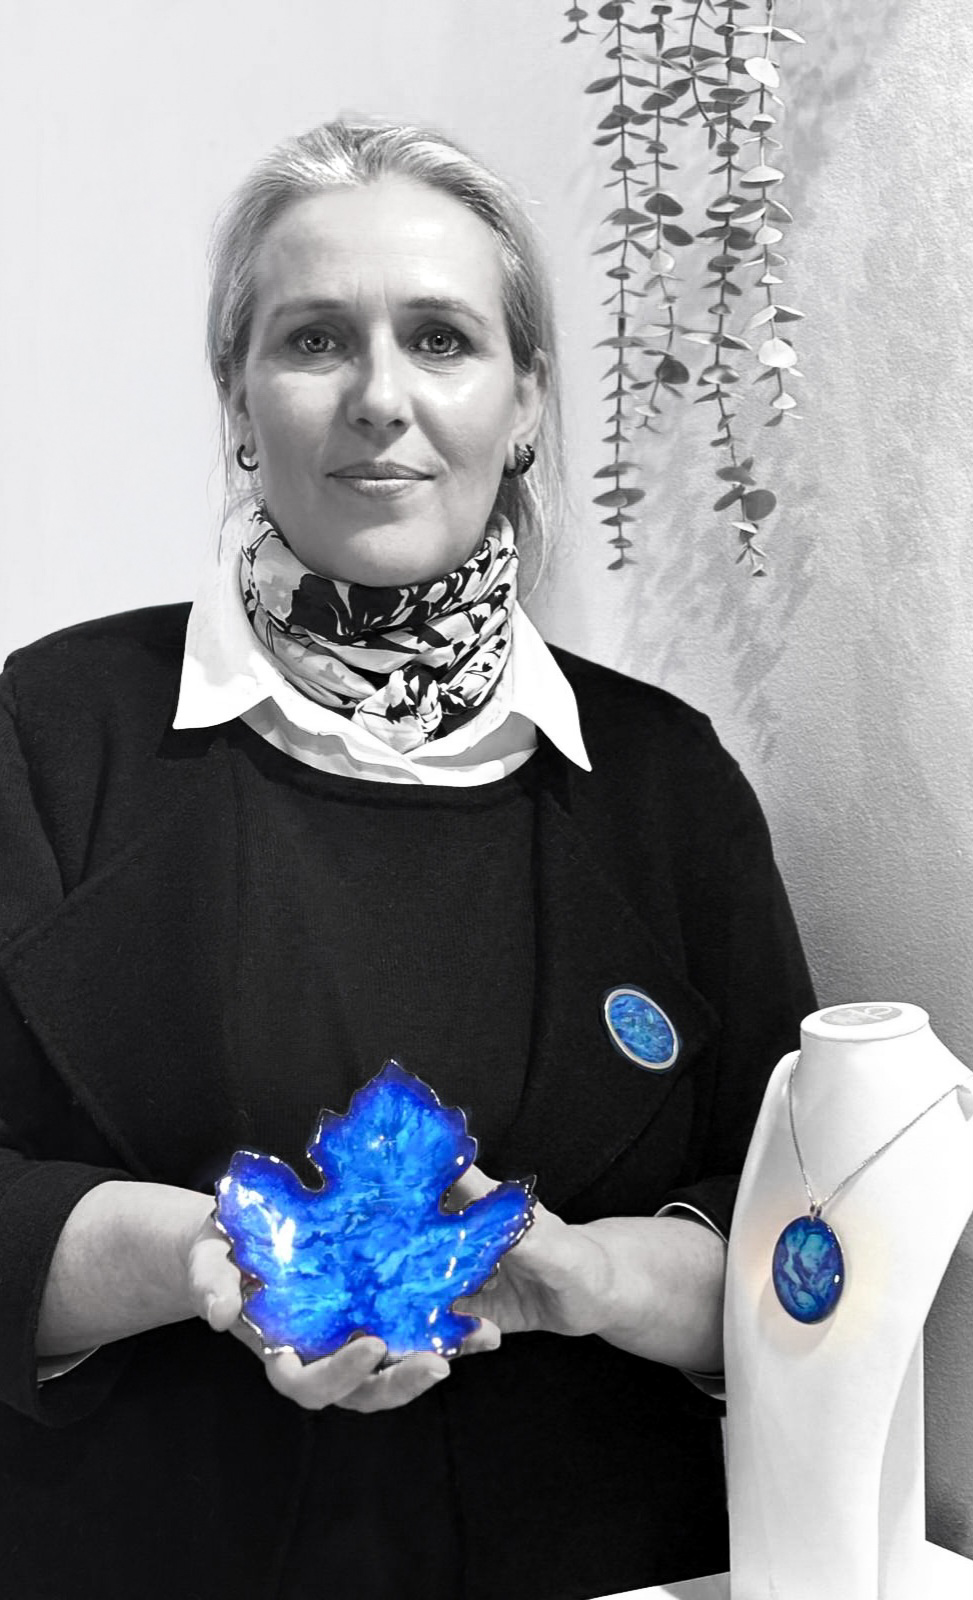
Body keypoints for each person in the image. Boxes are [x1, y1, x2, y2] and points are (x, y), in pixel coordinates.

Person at [0, 120, 816, 1600]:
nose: (381, 398)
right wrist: (200, 1258)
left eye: (440, 339)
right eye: (316, 339)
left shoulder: (663, 783)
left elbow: (801, 1240)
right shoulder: (52, 736)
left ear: (525, 402)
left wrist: (592, 1278)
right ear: (238, 401)